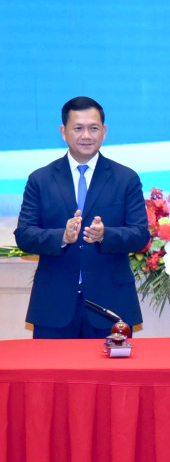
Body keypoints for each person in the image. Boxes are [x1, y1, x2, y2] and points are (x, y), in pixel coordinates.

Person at [14, 96, 149, 339]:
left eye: (93, 128)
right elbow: (24, 235)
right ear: (63, 132)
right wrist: (61, 237)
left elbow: (140, 235)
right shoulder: (41, 179)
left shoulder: (126, 178)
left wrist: (106, 235)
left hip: (111, 305)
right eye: (78, 128)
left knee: (110, 378)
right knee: (52, 377)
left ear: (104, 131)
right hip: (53, 305)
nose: (86, 135)